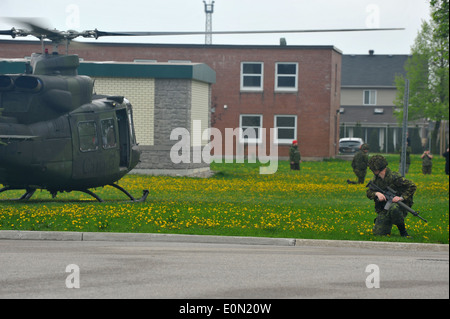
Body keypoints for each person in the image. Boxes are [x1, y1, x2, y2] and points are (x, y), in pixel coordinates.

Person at [366, 155, 416, 237]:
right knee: (378, 233)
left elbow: (412, 186)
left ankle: (403, 232)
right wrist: (377, 194)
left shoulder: (395, 177)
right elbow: (369, 191)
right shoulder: (375, 180)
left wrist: (401, 197)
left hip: (400, 206)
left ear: (377, 169)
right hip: (385, 208)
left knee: (394, 208)